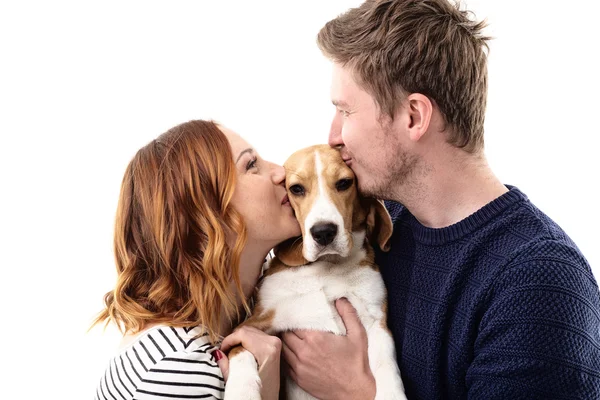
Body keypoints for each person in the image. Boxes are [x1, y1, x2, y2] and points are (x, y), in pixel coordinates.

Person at [281, 0, 600, 399]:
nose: (333, 137)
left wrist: (356, 392)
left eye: (346, 111)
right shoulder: (380, 224)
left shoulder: (538, 282)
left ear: (414, 116)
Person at [92, 120, 300, 400]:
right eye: (251, 165)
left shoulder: (245, 310)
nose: (281, 172)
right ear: (206, 217)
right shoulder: (180, 369)